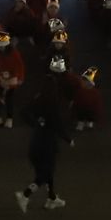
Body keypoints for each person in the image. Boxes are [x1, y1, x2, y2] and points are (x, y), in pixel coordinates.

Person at [16, 73, 72, 211]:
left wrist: (35, 123)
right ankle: (25, 194)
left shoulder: (38, 99)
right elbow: (58, 125)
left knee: (47, 173)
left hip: (36, 142)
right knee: (45, 174)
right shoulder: (53, 104)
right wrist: (68, 139)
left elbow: (23, 112)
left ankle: (51, 198)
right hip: (48, 145)